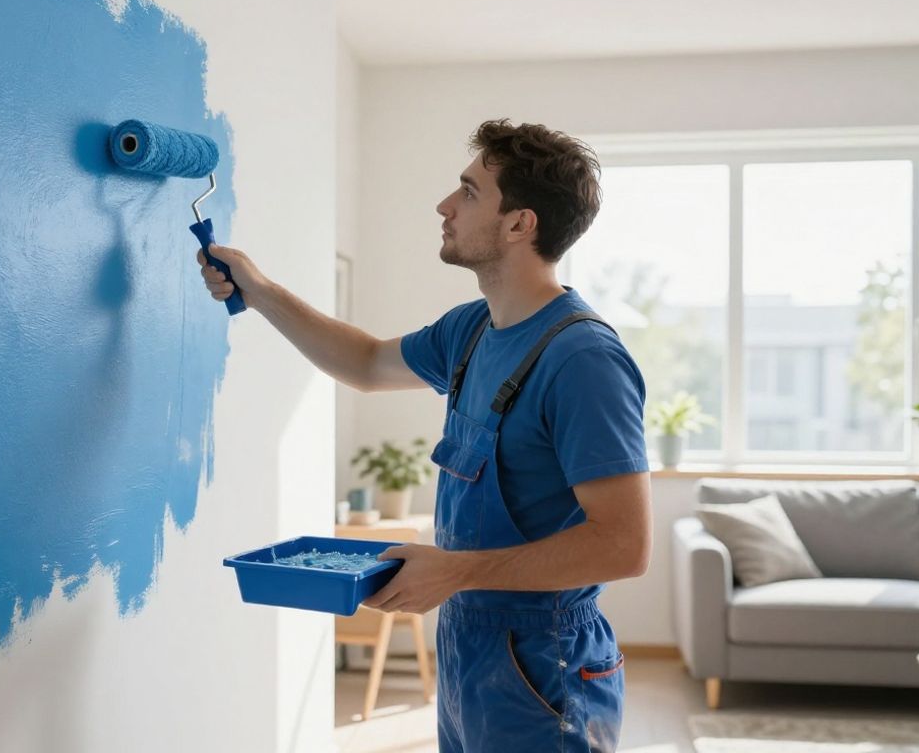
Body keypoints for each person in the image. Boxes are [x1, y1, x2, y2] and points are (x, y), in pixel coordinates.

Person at [197, 119, 651, 752]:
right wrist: (261, 291)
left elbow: (625, 546)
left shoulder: (583, 359)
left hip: (545, 659)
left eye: (468, 191)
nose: (444, 205)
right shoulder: (471, 330)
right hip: (467, 642)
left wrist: (457, 571)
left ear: (520, 224)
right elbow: (365, 363)